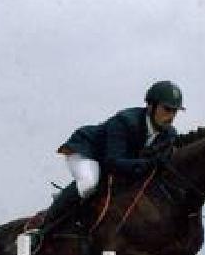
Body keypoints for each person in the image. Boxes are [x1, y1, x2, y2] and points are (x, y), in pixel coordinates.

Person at [36, 80, 185, 234]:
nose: (171, 116)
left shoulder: (169, 134)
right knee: (89, 182)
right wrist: (149, 163)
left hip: (114, 161)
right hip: (87, 150)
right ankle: (42, 230)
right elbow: (112, 163)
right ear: (150, 106)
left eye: (175, 111)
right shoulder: (125, 121)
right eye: (167, 109)